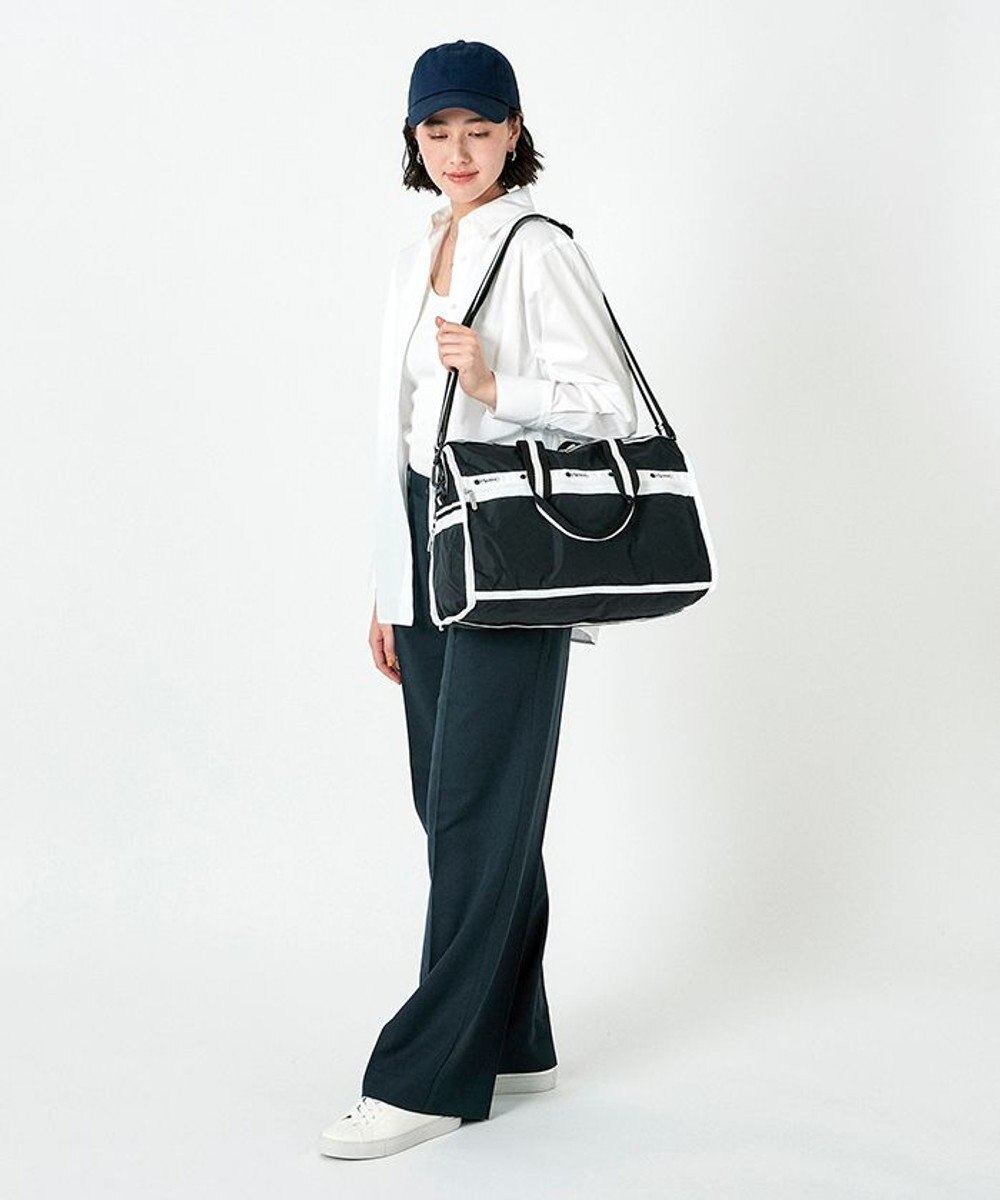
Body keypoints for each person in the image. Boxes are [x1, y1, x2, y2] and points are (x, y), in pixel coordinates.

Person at [319, 39, 637, 1160]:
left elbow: (613, 405)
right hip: (425, 542)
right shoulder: (424, 249)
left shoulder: (535, 247)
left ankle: (429, 1076)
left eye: (479, 129)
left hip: (504, 547)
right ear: (414, 139)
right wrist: (387, 579)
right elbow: (405, 433)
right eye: (437, 130)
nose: (457, 151)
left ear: (513, 133)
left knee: (472, 804)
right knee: (450, 800)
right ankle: (513, 1034)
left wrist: (499, 380)